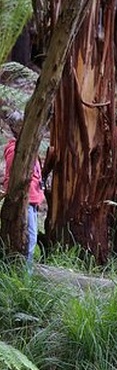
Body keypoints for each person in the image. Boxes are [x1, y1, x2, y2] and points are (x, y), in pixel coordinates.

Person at [2, 111, 45, 265]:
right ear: (16, 128)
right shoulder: (15, 151)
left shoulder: (28, 147)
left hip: (31, 200)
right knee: (29, 238)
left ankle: (26, 271)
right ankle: (24, 274)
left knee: (31, 237)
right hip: (23, 200)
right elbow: (12, 178)